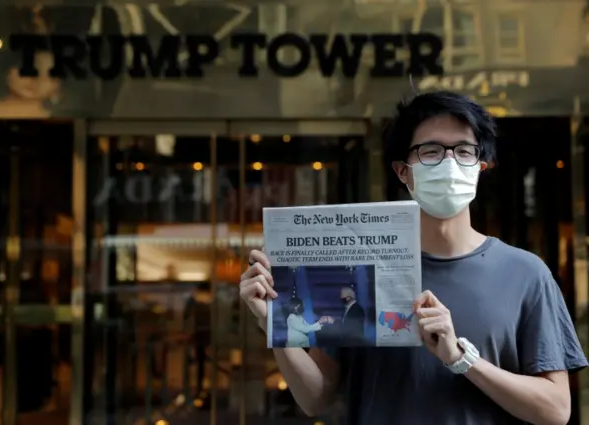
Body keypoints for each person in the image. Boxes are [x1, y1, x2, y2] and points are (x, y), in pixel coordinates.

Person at [239, 91, 588, 425]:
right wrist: (277, 323)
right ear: (402, 170)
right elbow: (315, 398)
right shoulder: (359, 268)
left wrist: (461, 359)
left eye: (464, 151)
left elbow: (555, 410)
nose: (450, 163)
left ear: (481, 166)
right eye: (431, 151)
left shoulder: (525, 273)